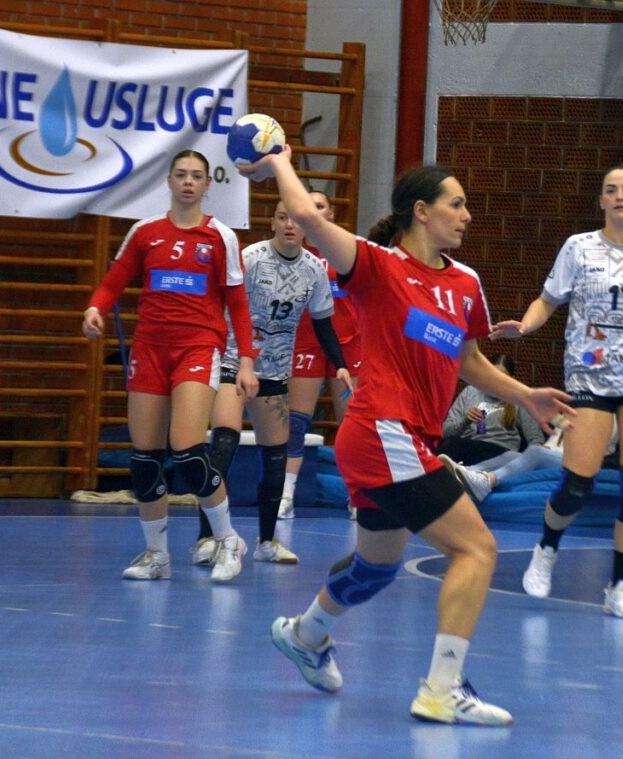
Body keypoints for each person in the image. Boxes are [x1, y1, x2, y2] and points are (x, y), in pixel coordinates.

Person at [239, 148, 574, 726]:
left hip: (405, 439)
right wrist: (279, 162)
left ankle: (305, 634)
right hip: (381, 431)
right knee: (476, 549)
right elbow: (310, 218)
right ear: (421, 211)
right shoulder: (377, 266)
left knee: (377, 568)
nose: (467, 215)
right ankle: (442, 688)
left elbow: (469, 361)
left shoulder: (466, 283)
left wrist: (526, 396)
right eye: (457, 204)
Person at [491, 164, 623, 618]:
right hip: (590, 375)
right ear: (603, 201)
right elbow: (548, 300)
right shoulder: (579, 248)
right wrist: (525, 326)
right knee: (578, 483)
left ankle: (620, 587)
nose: (620, 196)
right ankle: (546, 548)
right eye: (612, 190)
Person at [82, 149, 258, 582]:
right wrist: (95, 309)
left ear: (207, 184)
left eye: (196, 175)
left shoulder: (219, 237)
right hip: (150, 351)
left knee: (188, 450)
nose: (188, 182)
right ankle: (156, 555)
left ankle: (227, 539)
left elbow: (237, 303)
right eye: (181, 174)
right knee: (144, 459)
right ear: (169, 181)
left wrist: (247, 361)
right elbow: (113, 282)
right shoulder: (145, 233)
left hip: (198, 348)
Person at [190, 200, 347, 566]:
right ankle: (207, 538)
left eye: (296, 219)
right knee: (223, 443)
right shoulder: (251, 259)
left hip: (275, 371)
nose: (289, 225)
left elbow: (324, 324)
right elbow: (222, 305)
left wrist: (340, 364)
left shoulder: (314, 270)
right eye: (282, 217)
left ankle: (267, 541)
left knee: (276, 457)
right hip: (234, 362)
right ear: (273, 222)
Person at [278, 191, 357, 520]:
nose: (314, 211)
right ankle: (285, 494)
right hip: (306, 343)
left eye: (320, 206)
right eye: (308, 206)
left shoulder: (348, 249)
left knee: (352, 424)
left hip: (349, 344)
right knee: (296, 422)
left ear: (332, 213)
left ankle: (357, 494)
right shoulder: (293, 252)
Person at [441, 417, 618, 504]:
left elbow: (596, 447)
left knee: (535, 452)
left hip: (579, 461)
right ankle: (467, 473)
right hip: (551, 454)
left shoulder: (610, 415)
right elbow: (554, 437)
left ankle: (487, 481)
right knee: (511, 455)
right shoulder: (573, 405)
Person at [437, 353, 544, 466]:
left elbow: (536, 439)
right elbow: (446, 432)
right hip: (469, 449)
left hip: (502, 454)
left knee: (452, 446)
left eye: (503, 379)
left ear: (511, 380)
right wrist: (465, 420)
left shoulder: (518, 399)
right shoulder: (470, 392)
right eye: (493, 377)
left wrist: (526, 462)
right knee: (449, 445)